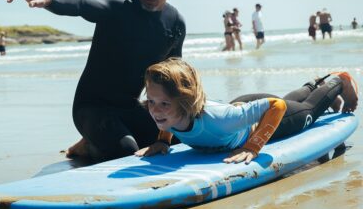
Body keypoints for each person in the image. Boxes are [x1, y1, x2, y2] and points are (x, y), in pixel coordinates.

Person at [6, 0, 186, 162]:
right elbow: (83, 3)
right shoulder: (118, 7)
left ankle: (100, 138)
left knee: (181, 139)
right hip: (92, 108)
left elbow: (172, 83)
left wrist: (166, 135)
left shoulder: (175, 23)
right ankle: (90, 144)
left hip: (130, 108)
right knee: (126, 150)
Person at [135, 58, 358, 164]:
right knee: (290, 101)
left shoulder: (220, 120)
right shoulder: (169, 115)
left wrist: (253, 145)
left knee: (305, 112)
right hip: (240, 109)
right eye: (151, 101)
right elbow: (168, 121)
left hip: (258, 119)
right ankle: (312, 85)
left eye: (163, 104)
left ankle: (340, 80)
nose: (155, 110)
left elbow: (276, 107)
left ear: (185, 101)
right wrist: (163, 141)